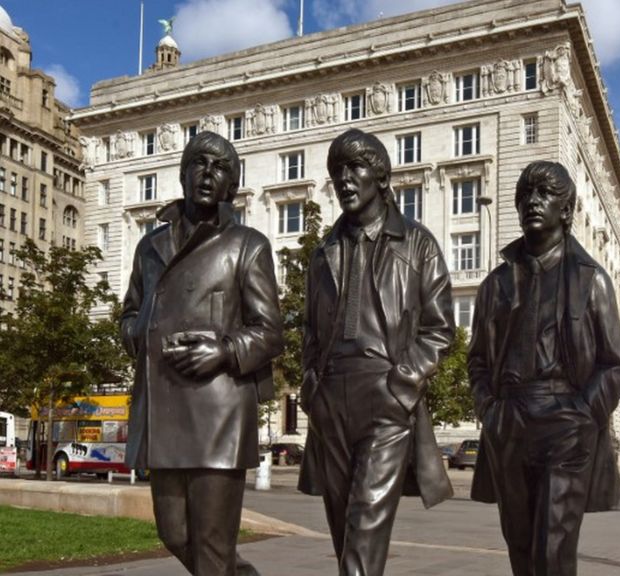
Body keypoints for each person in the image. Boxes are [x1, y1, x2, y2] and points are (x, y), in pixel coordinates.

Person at [121, 131, 283, 576]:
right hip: (164, 409)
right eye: (199, 163)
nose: (207, 174)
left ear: (231, 186)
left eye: (220, 168)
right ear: (182, 173)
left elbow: (270, 332)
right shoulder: (149, 246)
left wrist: (224, 350)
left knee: (212, 547)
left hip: (218, 413)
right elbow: (130, 313)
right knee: (173, 533)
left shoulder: (247, 245)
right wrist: (139, 334)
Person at [297, 128, 454, 576]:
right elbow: (309, 328)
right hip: (330, 399)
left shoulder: (418, 244)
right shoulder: (322, 252)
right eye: (337, 171)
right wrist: (311, 387)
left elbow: (439, 329)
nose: (345, 179)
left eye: (355, 167)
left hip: (385, 394)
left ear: (381, 177)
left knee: (364, 529)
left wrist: (403, 382)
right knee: (343, 530)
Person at [469, 161, 620, 576]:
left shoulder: (591, 280)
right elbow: (478, 361)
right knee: (520, 547)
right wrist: (490, 410)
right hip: (510, 420)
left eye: (545, 193)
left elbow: (615, 363)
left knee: (553, 548)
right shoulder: (496, 284)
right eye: (526, 194)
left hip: (566, 418)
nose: (533, 201)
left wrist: (583, 412)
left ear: (568, 210)